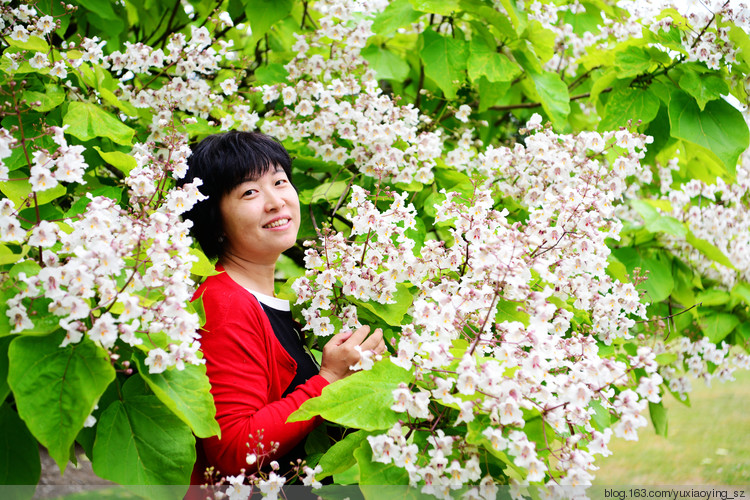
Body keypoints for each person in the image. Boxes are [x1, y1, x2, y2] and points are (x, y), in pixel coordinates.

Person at [179, 131, 385, 484]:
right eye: (250, 192)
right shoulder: (223, 303)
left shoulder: (271, 302)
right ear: (216, 218)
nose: (275, 201)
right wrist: (329, 379)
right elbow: (232, 450)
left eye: (279, 181)